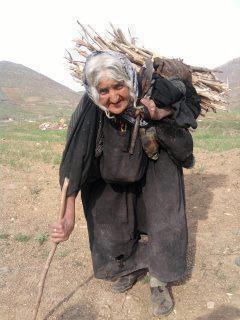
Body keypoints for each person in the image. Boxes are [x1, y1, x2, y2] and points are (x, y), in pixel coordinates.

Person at [50, 51, 201, 317]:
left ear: (129, 82)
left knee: (164, 213)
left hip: (158, 156)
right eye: (104, 90)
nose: (113, 96)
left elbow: (187, 110)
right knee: (106, 208)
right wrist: (68, 213)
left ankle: (159, 278)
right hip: (116, 163)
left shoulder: (156, 90)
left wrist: (159, 112)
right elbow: (76, 155)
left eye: (118, 86)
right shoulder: (91, 107)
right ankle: (130, 266)